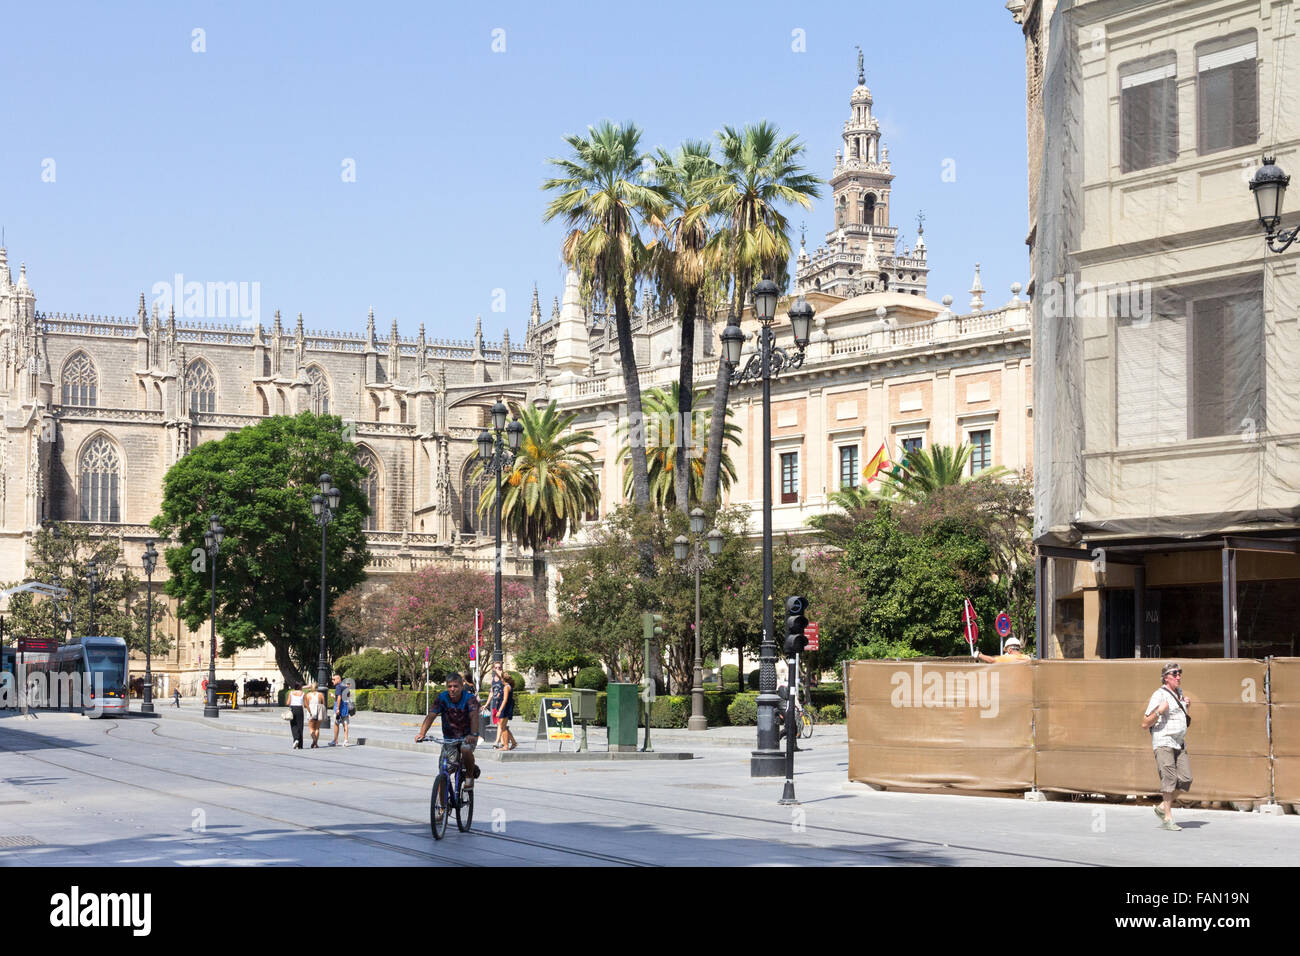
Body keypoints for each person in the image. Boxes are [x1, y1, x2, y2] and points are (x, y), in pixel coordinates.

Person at [1142, 662, 1192, 831]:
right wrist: (1159, 711)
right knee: (1169, 780)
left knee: (1186, 779)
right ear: (1166, 677)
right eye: (1175, 674)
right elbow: (1144, 723)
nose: (1179, 677)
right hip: (1163, 742)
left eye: (1180, 673)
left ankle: (1163, 806)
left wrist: (1185, 705)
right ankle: (1168, 819)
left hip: (1179, 742)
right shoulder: (1158, 695)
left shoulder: (1179, 693)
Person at [415, 672, 482, 788]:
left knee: (465, 749)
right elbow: (431, 715)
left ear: (462, 686)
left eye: (456, 686)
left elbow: (474, 716)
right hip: (449, 739)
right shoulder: (443, 698)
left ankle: (469, 776)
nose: (452, 689)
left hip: (467, 736)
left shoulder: (469, 698)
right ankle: (442, 806)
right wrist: (422, 733)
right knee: (443, 773)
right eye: (449, 686)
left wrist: (474, 734)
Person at [490, 662, 517, 751]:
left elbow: (504, 700)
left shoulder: (506, 687)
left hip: (505, 709)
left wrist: (499, 710)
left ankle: (505, 746)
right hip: (506, 708)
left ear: (503, 680)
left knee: (502, 727)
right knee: (503, 726)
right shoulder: (507, 686)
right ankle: (513, 742)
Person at [330, 674, 351, 747]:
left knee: (336, 723)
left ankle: (335, 740)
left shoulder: (338, 687)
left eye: (334, 679)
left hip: (339, 707)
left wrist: (338, 708)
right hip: (345, 707)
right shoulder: (346, 687)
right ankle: (346, 740)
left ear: (339, 679)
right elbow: (347, 698)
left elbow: (339, 698)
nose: (332, 681)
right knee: (345, 723)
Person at [303, 681, 325, 748]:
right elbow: (323, 704)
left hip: (311, 711)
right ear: (317, 687)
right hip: (318, 711)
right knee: (317, 728)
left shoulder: (308, 695)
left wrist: (310, 712)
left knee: (311, 728)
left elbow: (305, 705)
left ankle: (314, 741)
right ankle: (315, 743)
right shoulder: (321, 694)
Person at [287, 682, 305, 750]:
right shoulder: (302, 693)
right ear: (300, 687)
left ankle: (296, 739)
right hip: (300, 709)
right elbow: (305, 704)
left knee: (293, 725)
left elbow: (287, 703)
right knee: (300, 725)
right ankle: (300, 745)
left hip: (293, 708)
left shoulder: (291, 693)